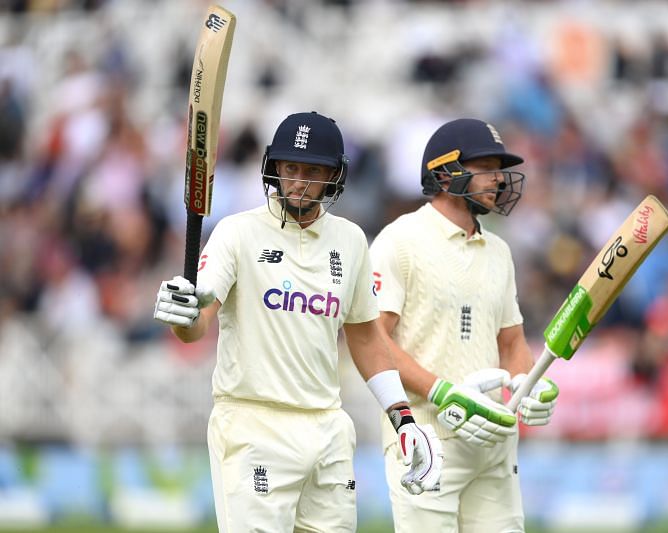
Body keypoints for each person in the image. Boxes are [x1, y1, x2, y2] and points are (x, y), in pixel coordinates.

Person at [153, 111, 443, 533]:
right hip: (254, 426)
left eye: (313, 171)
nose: (299, 181)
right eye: (291, 168)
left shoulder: (351, 240)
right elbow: (199, 322)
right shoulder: (238, 233)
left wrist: (403, 418)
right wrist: (184, 316)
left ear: (335, 176)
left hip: (327, 427)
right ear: (274, 168)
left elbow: (365, 338)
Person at [369, 118, 559, 532]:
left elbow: (510, 343)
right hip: (426, 438)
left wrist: (529, 384)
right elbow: (373, 340)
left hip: (493, 441)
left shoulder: (499, 251)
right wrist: (444, 392)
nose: (498, 179)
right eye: (485, 167)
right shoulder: (399, 241)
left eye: (499, 167)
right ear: (444, 174)